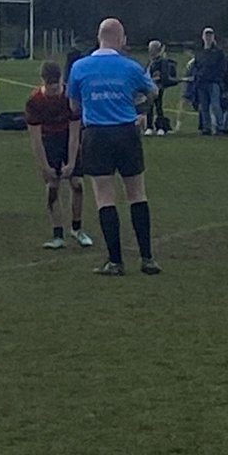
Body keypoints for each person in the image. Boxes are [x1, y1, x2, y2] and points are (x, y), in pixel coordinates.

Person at [67, 18, 160, 276]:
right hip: (126, 132)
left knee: (105, 197)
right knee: (137, 194)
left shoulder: (80, 67)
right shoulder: (130, 67)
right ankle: (147, 258)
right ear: (121, 39)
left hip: (96, 134)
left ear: (99, 38)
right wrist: (138, 107)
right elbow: (152, 92)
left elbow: (74, 106)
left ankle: (115, 261)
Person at [26, 61, 94, 250]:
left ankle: (77, 228)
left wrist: (71, 162)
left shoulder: (70, 98)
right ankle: (57, 234)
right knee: (53, 186)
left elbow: (74, 134)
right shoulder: (34, 102)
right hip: (49, 141)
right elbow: (36, 138)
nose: (54, 88)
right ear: (44, 82)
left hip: (67, 140)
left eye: (57, 84)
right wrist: (44, 166)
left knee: (77, 184)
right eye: (50, 84)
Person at [193, 27, 227, 136]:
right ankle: (206, 128)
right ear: (203, 37)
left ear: (213, 37)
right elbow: (196, 66)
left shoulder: (218, 52)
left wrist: (217, 78)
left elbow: (222, 68)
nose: (208, 37)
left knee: (216, 106)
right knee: (204, 107)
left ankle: (220, 127)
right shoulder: (199, 52)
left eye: (210, 35)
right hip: (201, 83)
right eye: (206, 35)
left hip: (213, 82)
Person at [144, 41, 179, 136]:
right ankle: (149, 126)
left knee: (158, 107)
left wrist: (159, 83)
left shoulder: (162, 61)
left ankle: (160, 127)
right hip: (150, 88)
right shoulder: (151, 62)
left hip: (158, 87)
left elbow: (164, 76)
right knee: (150, 108)